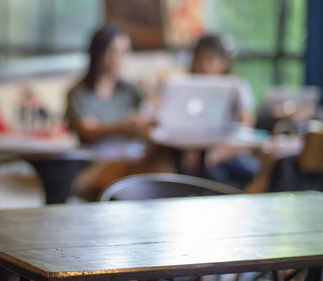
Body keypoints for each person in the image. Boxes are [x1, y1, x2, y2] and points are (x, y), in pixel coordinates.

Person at [66, 24, 174, 201]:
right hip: (98, 161)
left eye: (125, 52)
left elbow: (154, 105)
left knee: (165, 156)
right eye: (115, 52)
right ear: (99, 53)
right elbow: (88, 130)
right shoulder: (79, 93)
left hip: (132, 154)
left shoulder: (126, 89)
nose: (121, 58)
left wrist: (155, 96)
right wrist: (125, 126)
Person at [189, 35, 259, 187]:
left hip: (231, 152)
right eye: (200, 59)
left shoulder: (236, 86)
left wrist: (219, 152)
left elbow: (246, 128)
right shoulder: (186, 87)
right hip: (197, 151)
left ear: (224, 62)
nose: (205, 65)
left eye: (211, 59)